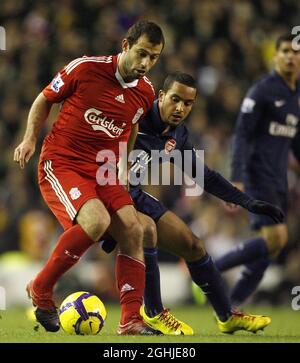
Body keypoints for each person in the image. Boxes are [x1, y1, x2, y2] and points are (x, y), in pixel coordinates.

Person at [101, 72, 284, 335]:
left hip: (133, 193)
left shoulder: (177, 135)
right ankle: (153, 313)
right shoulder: (135, 115)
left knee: (194, 245)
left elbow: (204, 177)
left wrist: (247, 202)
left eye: (187, 104)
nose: (180, 108)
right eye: (175, 99)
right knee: (148, 230)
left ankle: (227, 316)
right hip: (103, 191)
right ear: (161, 96)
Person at [13, 21, 165, 335]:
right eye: (141, 54)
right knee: (96, 222)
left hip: (105, 169)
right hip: (63, 162)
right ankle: (41, 289)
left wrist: (124, 165)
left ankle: (131, 320)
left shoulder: (145, 92)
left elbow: (131, 126)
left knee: (135, 230)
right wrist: (29, 139)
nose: (145, 63)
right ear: (125, 45)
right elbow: (44, 99)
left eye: (153, 58)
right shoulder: (84, 68)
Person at [215, 34, 300, 306]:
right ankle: (210, 268)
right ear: (274, 56)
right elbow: (241, 135)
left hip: (279, 180)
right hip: (256, 174)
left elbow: (295, 140)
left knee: (271, 246)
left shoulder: (295, 96)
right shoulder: (262, 91)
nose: (290, 56)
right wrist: (237, 178)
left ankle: (230, 305)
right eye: (284, 51)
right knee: (277, 237)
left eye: (295, 52)